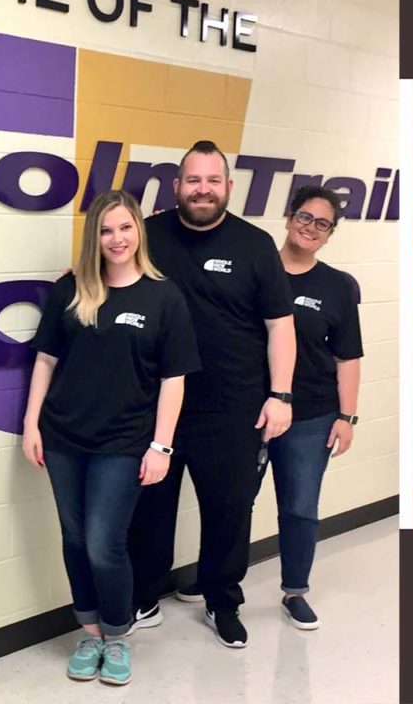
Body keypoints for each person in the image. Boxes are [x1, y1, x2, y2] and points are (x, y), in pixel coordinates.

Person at [22, 190, 199, 685]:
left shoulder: (163, 297)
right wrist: (31, 423)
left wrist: (162, 445)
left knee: (105, 543)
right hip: (62, 438)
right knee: (75, 540)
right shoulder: (71, 289)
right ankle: (90, 632)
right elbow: (46, 360)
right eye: (105, 230)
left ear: (138, 231)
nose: (116, 238)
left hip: (124, 443)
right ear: (93, 237)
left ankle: (117, 637)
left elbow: (174, 378)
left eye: (124, 227)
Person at [127, 139, 295, 648]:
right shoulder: (147, 235)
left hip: (233, 406)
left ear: (228, 187)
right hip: (154, 406)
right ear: (176, 186)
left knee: (227, 510)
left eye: (213, 181)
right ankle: (145, 593)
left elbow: (280, 326)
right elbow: (105, 280)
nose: (203, 189)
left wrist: (281, 395)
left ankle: (223, 600)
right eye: (193, 180)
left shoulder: (254, 244)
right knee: (148, 508)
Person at [269, 185, 362, 628]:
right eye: (304, 217)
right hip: (249, 412)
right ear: (289, 218)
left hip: (313, 415)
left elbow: (348, 356)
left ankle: (294, 591)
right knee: (231, 504)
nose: (310, 228)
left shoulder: (338, 286)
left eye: (321, 224)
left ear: (329, 234)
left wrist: (346, 416)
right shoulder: (256, 271)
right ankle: (218, 584)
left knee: (300, 506)